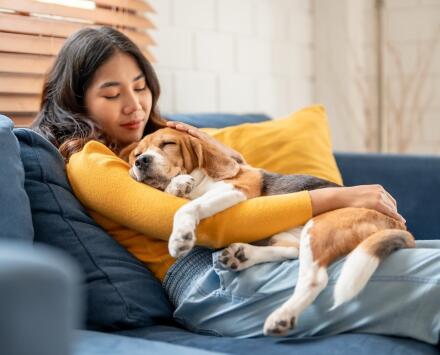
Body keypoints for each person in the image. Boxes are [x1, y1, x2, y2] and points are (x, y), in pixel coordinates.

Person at [32, 27, 440, 344]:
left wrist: (212, 148)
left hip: (271, 255)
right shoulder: (91, 162)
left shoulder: (164, 142)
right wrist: (336, 195)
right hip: (214, 282)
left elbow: (237, 180)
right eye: (112, 93)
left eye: (140, 87)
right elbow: (207, 227)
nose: (134, 104)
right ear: (76, 100)